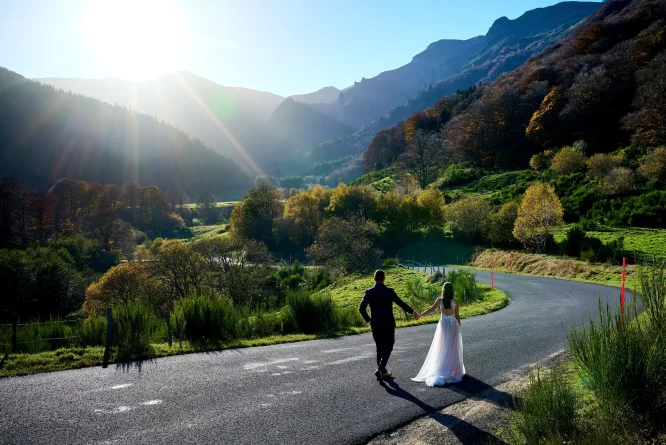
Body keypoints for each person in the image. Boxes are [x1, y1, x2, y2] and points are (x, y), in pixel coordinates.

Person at [359, 269, 420, 382]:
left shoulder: (369, 292)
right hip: (388, 324)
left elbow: (361, 309)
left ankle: (383, 372)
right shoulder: (389, 291)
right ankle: (381, 369)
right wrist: (413, 312)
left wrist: (369, 321)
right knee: (389, 345)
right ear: (384, 279)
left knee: (379, 347)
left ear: (374, 279)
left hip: (376, 325)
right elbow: (401, 303)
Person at [411, 281, 465, 386]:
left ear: (443, 290)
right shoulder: (456, 301)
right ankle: (452, 369)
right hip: (452, 325)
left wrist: (420, 315)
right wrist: (459, 325)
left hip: (443, 325)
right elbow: (457, 315)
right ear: (452, 291)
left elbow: (430, 310)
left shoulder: (440, 300)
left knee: (442, 346)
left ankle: (442, 367)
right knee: (452, 347)